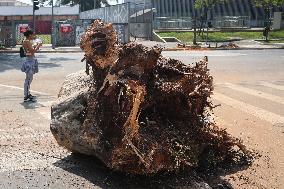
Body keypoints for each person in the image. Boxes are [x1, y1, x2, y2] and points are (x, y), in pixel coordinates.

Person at [21, 29, 42, 102]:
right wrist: (38, 45)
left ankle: (27, 93)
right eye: (32, 35)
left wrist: (35, 45)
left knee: (29, 79)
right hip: (29, 61)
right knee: (28, 79)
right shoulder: (26, 41)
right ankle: (26, 95)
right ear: (30, 35)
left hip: (30, 60)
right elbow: (33, 51)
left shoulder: (26, 41)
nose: (33, 36)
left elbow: (31, 50)